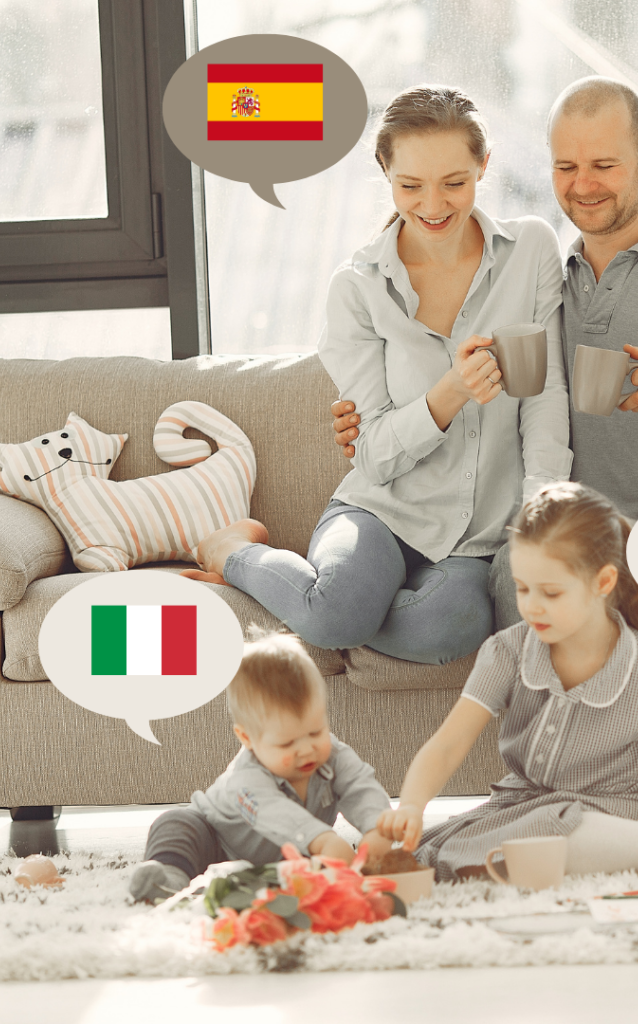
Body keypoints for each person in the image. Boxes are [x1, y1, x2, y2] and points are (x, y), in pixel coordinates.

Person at [333, 78, 638, 769]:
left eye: (604, 165)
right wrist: (365, 416)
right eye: (566, 167)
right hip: (583, 530)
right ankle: (564, 769)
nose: (583, 186)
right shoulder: (545, 279)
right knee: (513, 568)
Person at [181, 85, 572, 665]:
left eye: (455, 183)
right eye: (410, 185)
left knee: (450, 626)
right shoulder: (359, 288)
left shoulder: (530, 249)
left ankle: (315, 605)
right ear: (384, 170)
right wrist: (449, 393)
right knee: (337, 614)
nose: (433, 205)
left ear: (483, 166)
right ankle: (232, 552)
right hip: (380, 510)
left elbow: (544, 393)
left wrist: (541, 507)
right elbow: (375, 457)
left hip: (477, 535)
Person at [376, 483, 638, 882]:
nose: (531, 606)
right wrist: (413, 805)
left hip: (621, 809)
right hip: (529, 808)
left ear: (603, 583)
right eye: (522, 589)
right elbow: (450, 742)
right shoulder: (507, 651)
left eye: (551, 593)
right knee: (443, 855)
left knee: (559, 830)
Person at [129, 632, 394, 902]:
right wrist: (322, 839)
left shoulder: (334, 756)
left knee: (311, 872)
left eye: (316, 732)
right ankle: (168, 880)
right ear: (248, 739)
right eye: (287, 742)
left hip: (279, 860)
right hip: (216, 841)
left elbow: (360, 787)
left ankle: (253, 883)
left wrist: (377, 827)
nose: (306, 749)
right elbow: (273, 812)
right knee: (176, 824)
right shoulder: (246, 778)